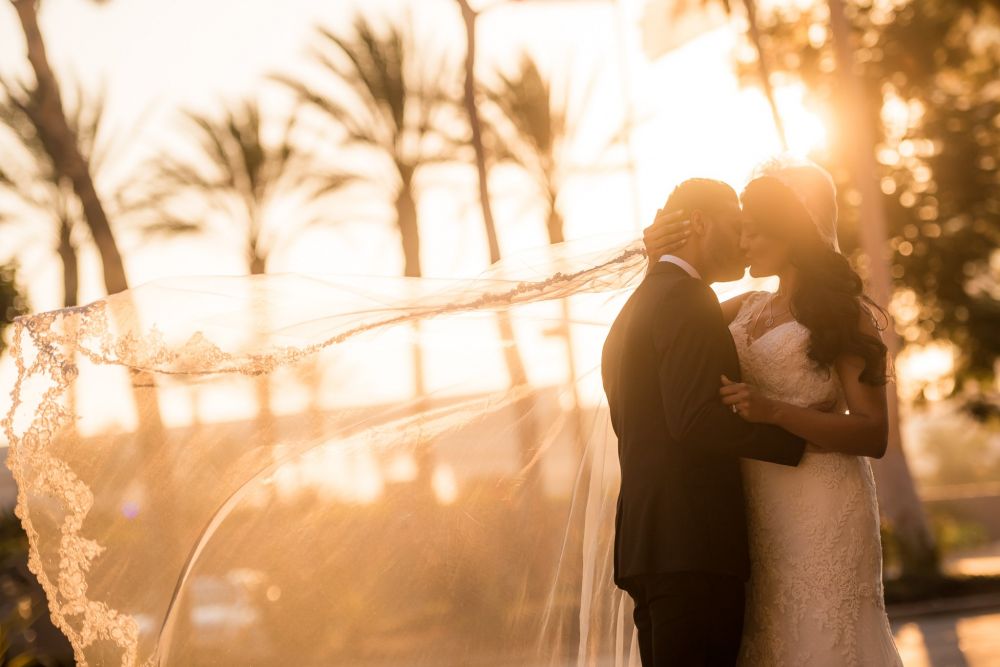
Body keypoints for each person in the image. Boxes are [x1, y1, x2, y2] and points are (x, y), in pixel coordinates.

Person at [643, 158, 902, 665]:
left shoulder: (842, 315)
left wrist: (773, 411)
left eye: (753, 234)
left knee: (822, 638)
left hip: (824, 502)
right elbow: (669, 316)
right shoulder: (744, 307)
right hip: (757, 507)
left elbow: (873, 434)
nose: (741, 245)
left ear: (788, 235)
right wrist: (659, 257)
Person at [601, 177, 806, 667]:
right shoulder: (685, 300)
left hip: (648, 545)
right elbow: (694, 420)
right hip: (694, 547)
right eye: (735, 225)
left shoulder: (635, 308)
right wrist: (795, 438)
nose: (742, 240)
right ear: (698, 223)